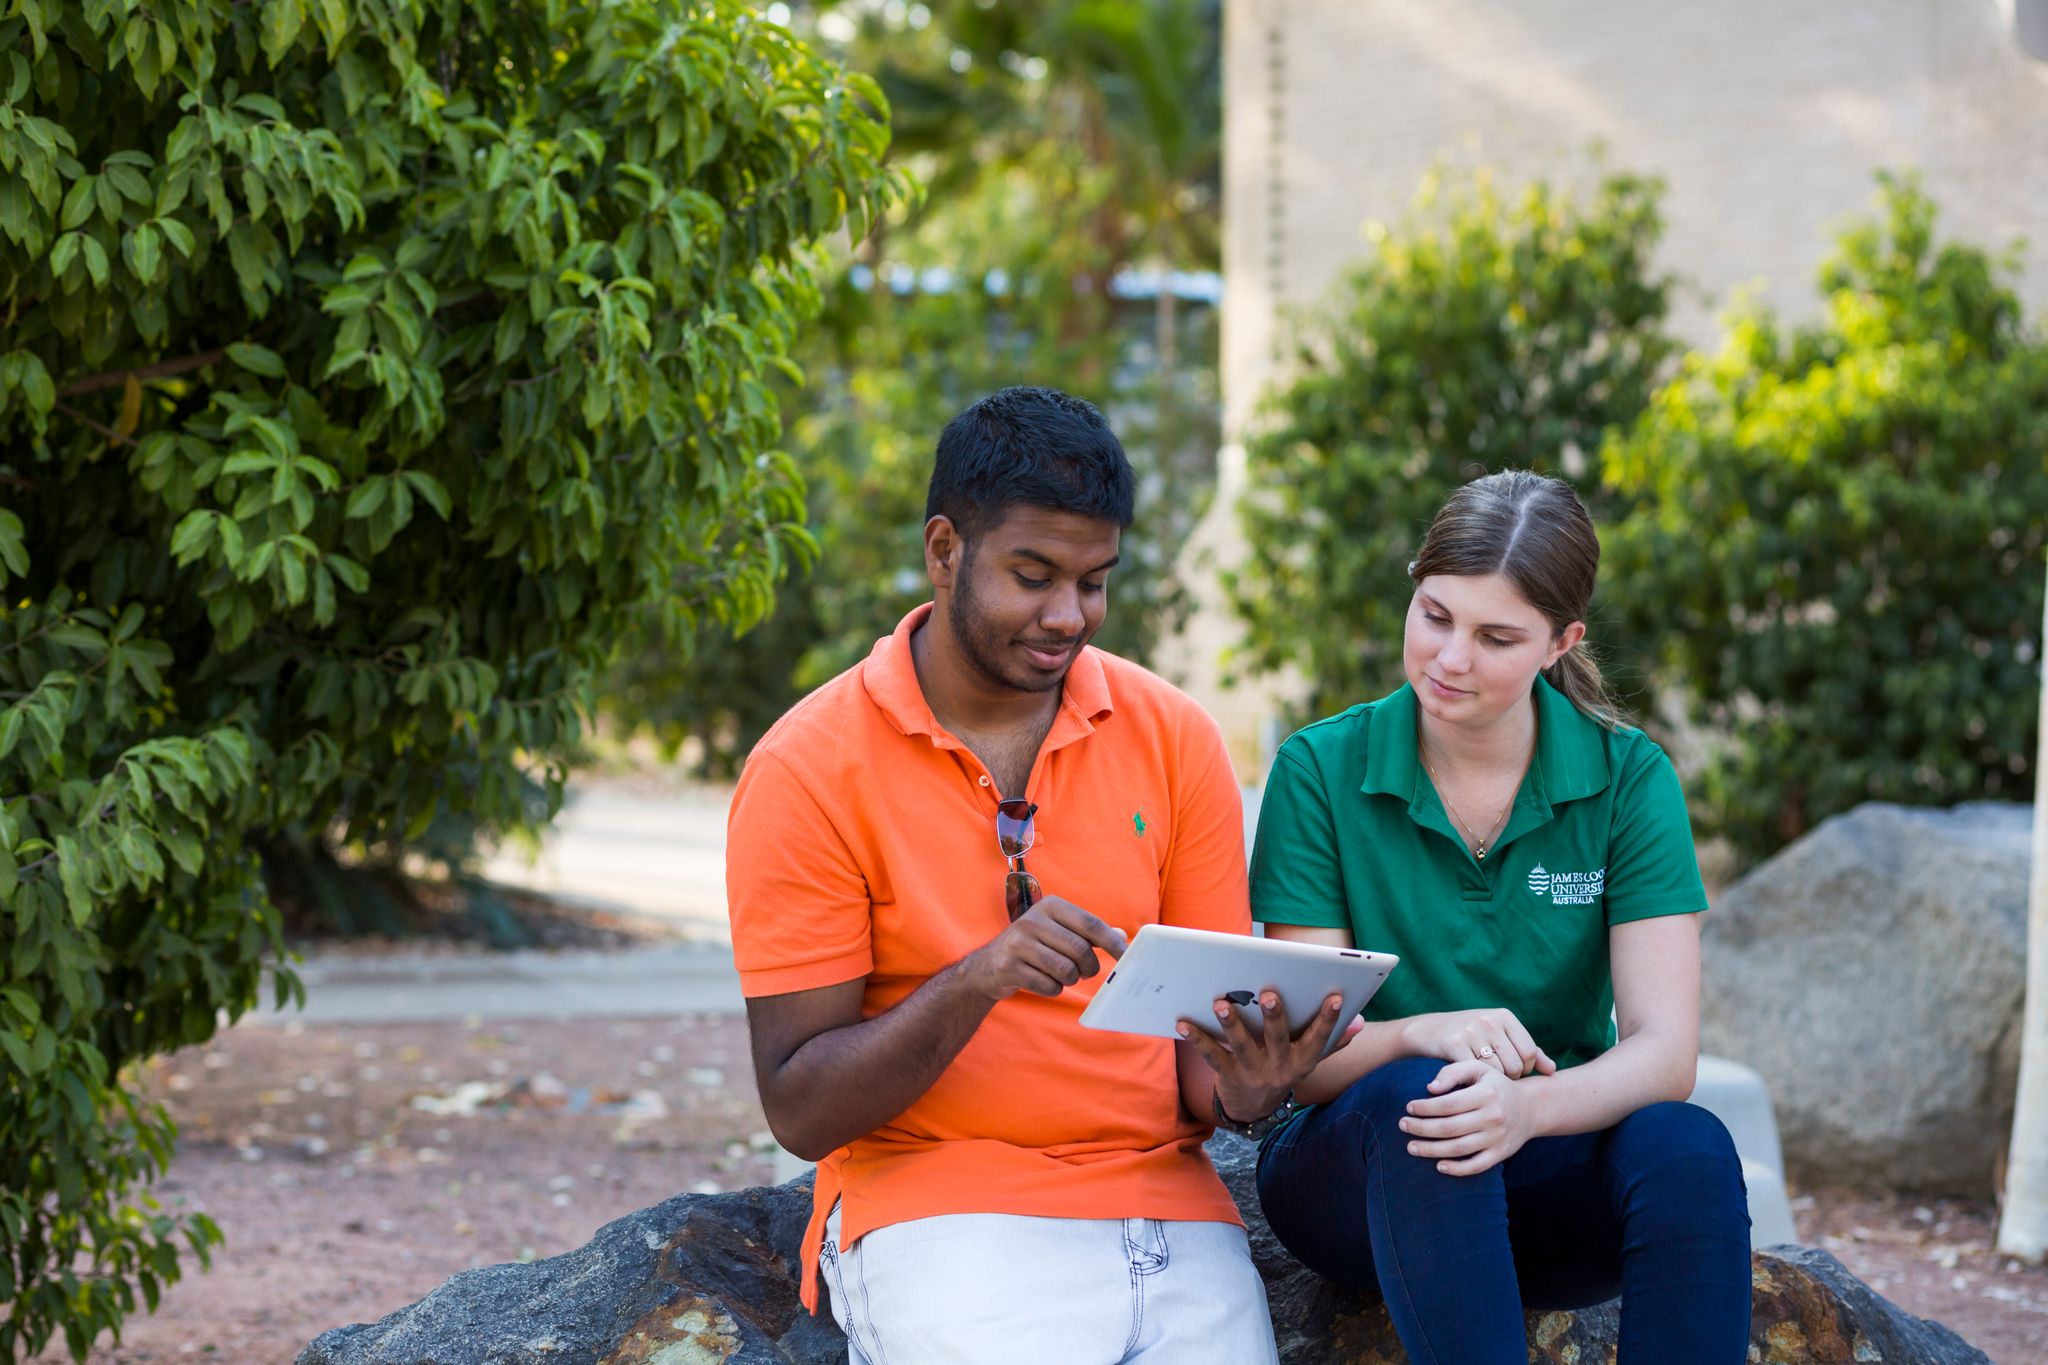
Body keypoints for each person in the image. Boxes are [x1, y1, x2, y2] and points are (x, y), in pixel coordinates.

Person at [725, 386, 1339, 1364]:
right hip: (938, 1213)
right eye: (1032, 575)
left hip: (1169, 1216)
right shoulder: (806, 767)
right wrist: (977, 980)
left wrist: (1250, 1083)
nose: (1066, 617)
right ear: (943, 551)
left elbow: (1198, 1076)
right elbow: (801, 1108)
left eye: (1093, 581)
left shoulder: (1174, 738)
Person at [1249, 470, 1753, 1364]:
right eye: (1436, 615)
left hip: (1550, 1163)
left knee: (1690, 1145)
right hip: (1357, 1178)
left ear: (1563, 641)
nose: (1450, 658)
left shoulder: (1630, 778)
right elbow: (1306, 1066)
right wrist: (1426, 1035)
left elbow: (1665, 1052)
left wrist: (1526, 1109)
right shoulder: (1319, 769)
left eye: (1496, 636)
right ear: (1413, 586)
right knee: (1425, 1105)